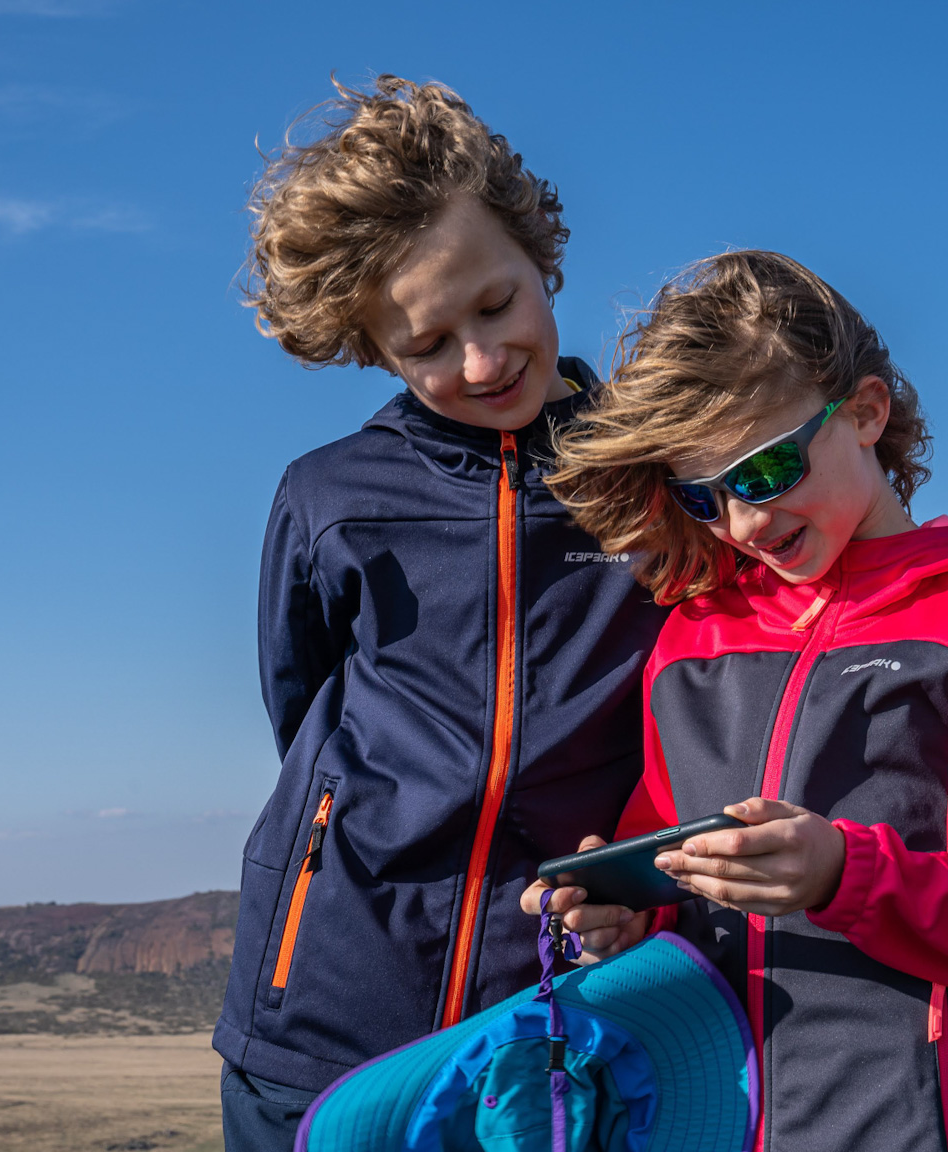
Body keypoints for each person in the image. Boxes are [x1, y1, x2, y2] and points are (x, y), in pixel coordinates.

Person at [531, 250, 948, 1151]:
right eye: (703, 494)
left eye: (766, 470)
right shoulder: (690, 635)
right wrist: (625, 910)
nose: (741, 523)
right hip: (700, 1125)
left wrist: (849, 877)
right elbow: (677, 887)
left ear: (864, 411)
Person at [214, 76, 668, 1150]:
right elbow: (305, 719)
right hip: (318, 1020)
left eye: (497, 304)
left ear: (537, 250)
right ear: (371, 349)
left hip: (552, 1019)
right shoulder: (327, 494)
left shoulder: (655, 476)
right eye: (424, 346)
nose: (479, 359)